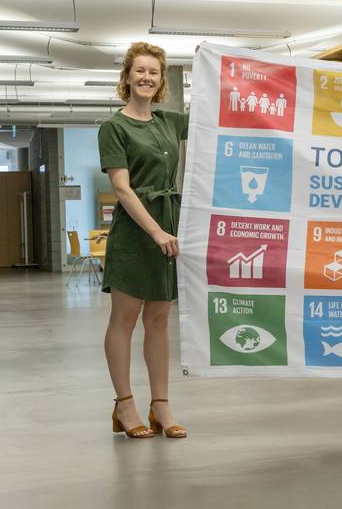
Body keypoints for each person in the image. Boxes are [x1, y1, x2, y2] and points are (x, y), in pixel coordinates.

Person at [99, 41, 189, 439]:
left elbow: (215, 117)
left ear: (162, 79)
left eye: (154, 72)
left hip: (169, 225)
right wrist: (155, 230)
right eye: (140, 71)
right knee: (125, 319)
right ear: (127, 76)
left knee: (159, 320)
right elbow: (121, 187)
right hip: (137, 232)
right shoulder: (113, 127)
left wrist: (207, 67)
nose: (147, 78)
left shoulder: (169, 122)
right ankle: (124, 404)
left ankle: (161, 404)